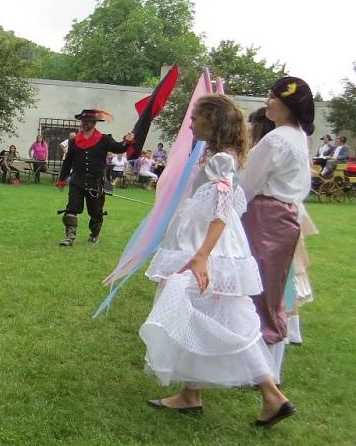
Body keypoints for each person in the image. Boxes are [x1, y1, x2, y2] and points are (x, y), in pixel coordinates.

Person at [140, 94, 294, 428]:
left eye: (195, 117)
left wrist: (201, 256)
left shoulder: (222, 160)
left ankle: (271, 395)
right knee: (197, 315)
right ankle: (191, 394)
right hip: (203, 244)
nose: (191, 123)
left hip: (207, 249)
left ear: (212, 119)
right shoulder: (218, 155)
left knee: (222, 318)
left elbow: (223, 209)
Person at [239, 76, 314, 385]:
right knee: (273, 291)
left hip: (266, 217)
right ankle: (264, 369)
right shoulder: (298, 137)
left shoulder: (276, 139)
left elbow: (248, 183)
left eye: (272, 97)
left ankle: (264, 373)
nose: (267, 101)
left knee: (261, 291)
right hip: (285, 217)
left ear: (287, 104)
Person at [56, 109, 133, 246]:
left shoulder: (104, 139)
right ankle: (69, 237)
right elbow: (68, 161)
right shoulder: (74, 141)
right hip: (77, 180)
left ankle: (94, 234)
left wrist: (126, 142)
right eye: (83, 121)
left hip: (95, 183)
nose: (84, 123)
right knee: (71, 209)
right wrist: (62, 179)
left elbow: (119, 148)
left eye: (88, 121)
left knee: (96, 213)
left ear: (94, 123)